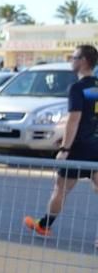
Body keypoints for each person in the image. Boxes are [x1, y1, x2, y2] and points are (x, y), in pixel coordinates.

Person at [24, 45, 98, 238]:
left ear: (83, 61)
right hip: (96, 143)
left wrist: (65, 148)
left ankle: (44, 225)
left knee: (61, 188)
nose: (70, 60)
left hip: (80, 146)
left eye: (73, 57)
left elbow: (74, 120)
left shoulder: (78, 87)